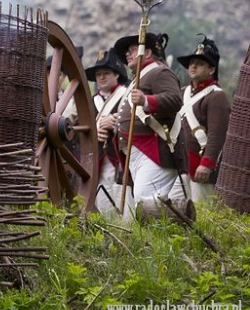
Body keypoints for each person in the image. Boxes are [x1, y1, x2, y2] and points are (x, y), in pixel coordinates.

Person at [113, 32, 187, 211]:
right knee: (140, 203)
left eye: (132, 50)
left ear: (146, 53)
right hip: (139, 152)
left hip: (155, 150)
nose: (127, 55)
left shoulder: (159, 72)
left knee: (145, 201)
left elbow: (175, 100)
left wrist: (146, 101)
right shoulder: (139, 77)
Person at [175, 35, 230, 202]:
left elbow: (217, 134)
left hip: (201, 166)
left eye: (199, 63)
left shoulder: (216, 96)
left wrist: (207, 163)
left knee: (201, 214)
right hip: (181, 163)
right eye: (192, 63)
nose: (193, 66)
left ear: (211, 70)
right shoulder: (183, 91)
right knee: (173, 209)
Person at [85, 48, 131, 215]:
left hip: (122, 158)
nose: (101, 77)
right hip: (98, 160)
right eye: (98, 74)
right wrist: (94, 130)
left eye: (106, 73)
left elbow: (137, 122)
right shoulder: (90, 102)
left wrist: (117, 123)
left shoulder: (127, 96)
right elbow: (77, 130)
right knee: (103, 205)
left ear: (117, 74)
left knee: (124, 204)